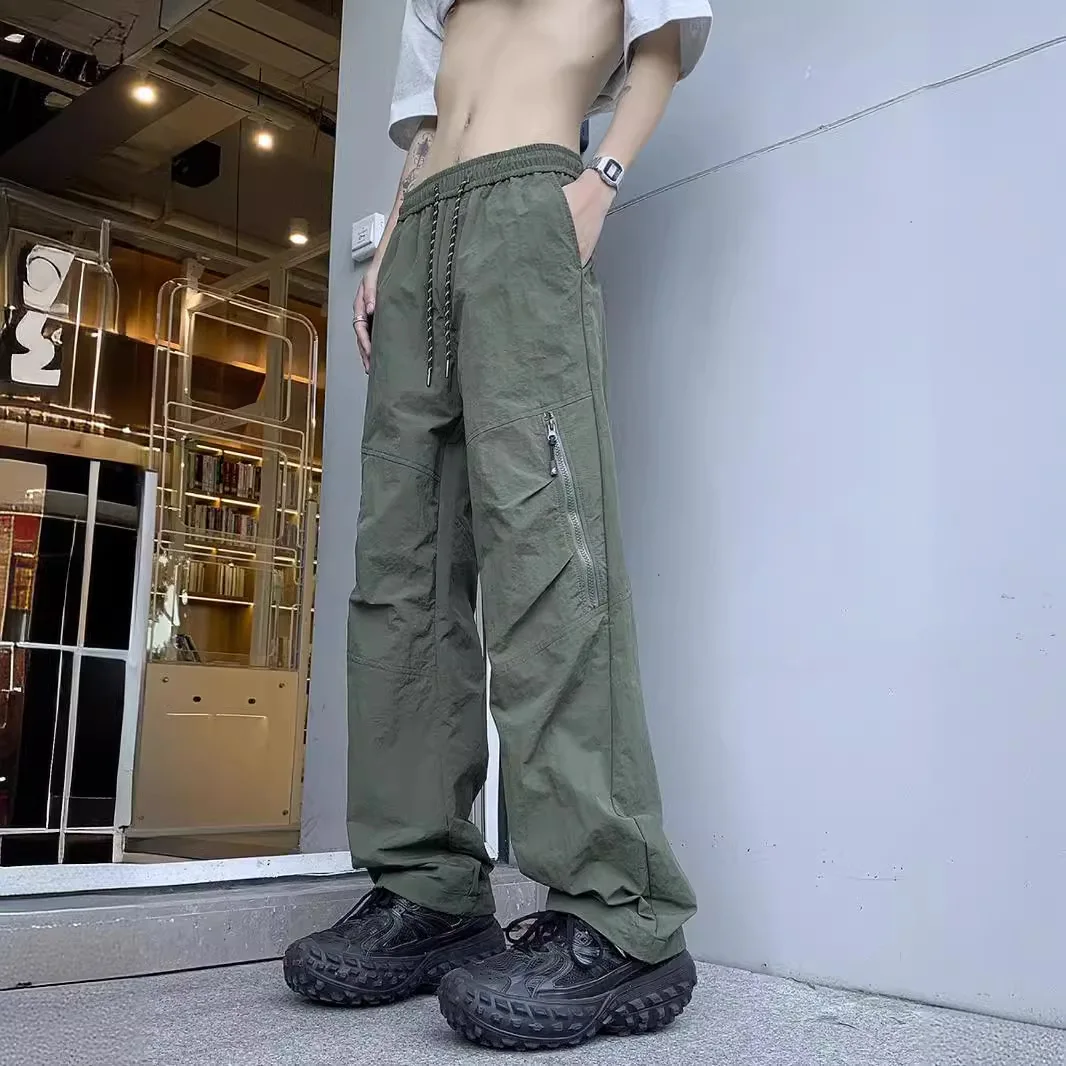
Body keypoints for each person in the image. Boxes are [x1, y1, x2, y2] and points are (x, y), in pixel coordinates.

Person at [284, 0, 713, 1050]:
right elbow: (430, 115)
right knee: (400, 566)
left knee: (545, 553)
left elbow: (658, 48)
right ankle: (427, 886)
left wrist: (598, 182)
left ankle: (618, 911)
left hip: (530, 200)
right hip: (423, 227)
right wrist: (392, 239)